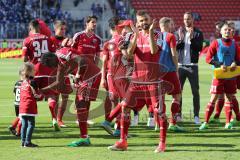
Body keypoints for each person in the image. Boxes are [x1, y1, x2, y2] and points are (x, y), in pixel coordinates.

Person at [108, 10, 167, 153]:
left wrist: (151, 32)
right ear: (137, 22)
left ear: (150, 19)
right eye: (140, 21)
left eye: (145, 20)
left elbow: (153, 51)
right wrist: (135, 36)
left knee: (159, 112)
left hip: (153, 80)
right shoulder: (132, 35)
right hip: (137, 80)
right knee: (125, 108)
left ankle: (162, 143)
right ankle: (123, 141)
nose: (143, 23)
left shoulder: (158, 35)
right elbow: (128, 54)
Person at [40, 39, 101, 147]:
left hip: (90, 75)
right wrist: (43, 90)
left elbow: (81, 60)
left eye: (50, 65)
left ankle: (84, 138)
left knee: (80, 104)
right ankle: (84, 136)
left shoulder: (62, 53)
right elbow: (59, 82)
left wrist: (77, 75)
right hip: (86, 78)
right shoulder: (58, 63)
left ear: (50, 59)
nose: (51, 68)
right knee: (82, 105)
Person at [199, 22, 240, 130]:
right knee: (213, 98)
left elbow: (238, 59)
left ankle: (228, 123)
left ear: (232, 32)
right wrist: (220, 64)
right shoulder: (215, 43)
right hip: (219, 76)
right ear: (221, 32)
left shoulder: (235, 44)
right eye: (225, 30)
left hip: (231, 76)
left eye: (229, 30)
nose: (227, 31)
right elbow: (208, 59)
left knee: (229, 98)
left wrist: (235, 63)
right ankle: (205, 122)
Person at [22, 19, 60, 131]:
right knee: (51, 96)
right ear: (39, 27)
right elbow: (54, 55)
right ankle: (54, 118)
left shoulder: (27, 40)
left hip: (34, 71)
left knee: (31, 96)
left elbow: (24, 59)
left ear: (30, 28)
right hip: (47, 71)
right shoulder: (47, 39)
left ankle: (20, 124)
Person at [71, 15, 102, 125]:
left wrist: (96, 70)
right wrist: (73, 70)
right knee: (79, 93)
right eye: (92, 22)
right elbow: (71, 52)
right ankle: (78, 116)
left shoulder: (97, 39)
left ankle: (85, 116)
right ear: (87, 23)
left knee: (88, 94)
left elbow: (98, 57)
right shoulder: (78, 36)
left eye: (95, 22)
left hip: (90, 71)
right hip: (78, 69)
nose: (94, 24)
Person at [176, 12, 203, 124]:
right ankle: (178, 114)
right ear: (183, 20)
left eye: (189, 19)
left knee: (195, 92)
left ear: (192, 20)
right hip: (180, 66)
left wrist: (192, 38)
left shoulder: (198, 33)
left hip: (193, 66)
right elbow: (176, 47)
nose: (187, 21)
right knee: (178, 92)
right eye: (185, 19)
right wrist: (181, 39)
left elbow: (199, 48)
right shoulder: (179, 32)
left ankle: (196, 116)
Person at [157, 17, 183, 132]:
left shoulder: (154, 36)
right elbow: (174, 54)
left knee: (160, 98)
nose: (173, 26)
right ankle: (173, 122)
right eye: (171, 24)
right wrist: (177, 68)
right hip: (170, 70)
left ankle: (159, 124)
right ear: (167, 25)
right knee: (177, 95)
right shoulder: (170, 36)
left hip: (157, 71)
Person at [51, 20, 69, 127]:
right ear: (55, 29)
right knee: (56, 97)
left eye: (64, 29)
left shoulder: (67, 40)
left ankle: (60, 119)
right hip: (55, 73)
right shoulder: (50, 40)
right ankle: (54, 119)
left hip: (65, 72)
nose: (63, 31)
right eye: (61, 29)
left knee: (65, 96)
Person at [19, 62, 42, 147]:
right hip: (29, 105)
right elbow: (36, 95)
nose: (35, 71)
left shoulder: (23, 82)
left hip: (22, 106)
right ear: (30, 72)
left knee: (24, 124)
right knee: (31, 124)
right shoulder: (32, 82)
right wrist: (42, 95)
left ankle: (23, 142)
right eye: (33, 70)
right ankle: (28, 142)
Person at [8, 67, 24, 136]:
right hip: (22, 103)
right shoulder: (25, 83)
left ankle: (15, 128)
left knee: (19, 116)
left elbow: (14, 93)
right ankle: (16, 130)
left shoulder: (17, 83)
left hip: (16, 103)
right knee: (23, 117)